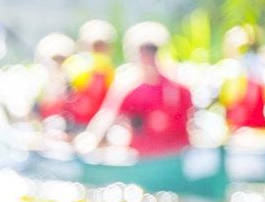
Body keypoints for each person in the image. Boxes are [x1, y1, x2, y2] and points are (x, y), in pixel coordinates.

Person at [82, 22, 194, 155]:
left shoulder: (175, 87)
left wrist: (88, 146)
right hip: (154, 158)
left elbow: (104, 122)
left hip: (162, 156)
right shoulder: (130, 88)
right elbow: (105, 121)